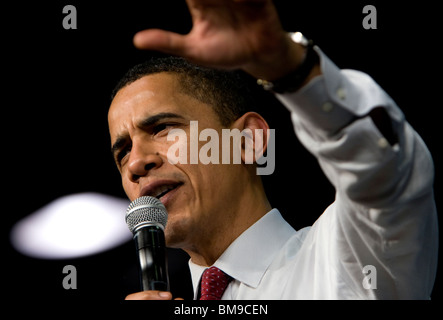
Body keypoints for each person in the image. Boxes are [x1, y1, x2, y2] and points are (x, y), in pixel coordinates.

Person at [108, 0, 438, 299]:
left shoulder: (351, 260)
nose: (136, 161)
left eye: (163, 128)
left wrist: (290, 68)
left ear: (248, 140)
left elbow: (383, 168)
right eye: (122, 151)